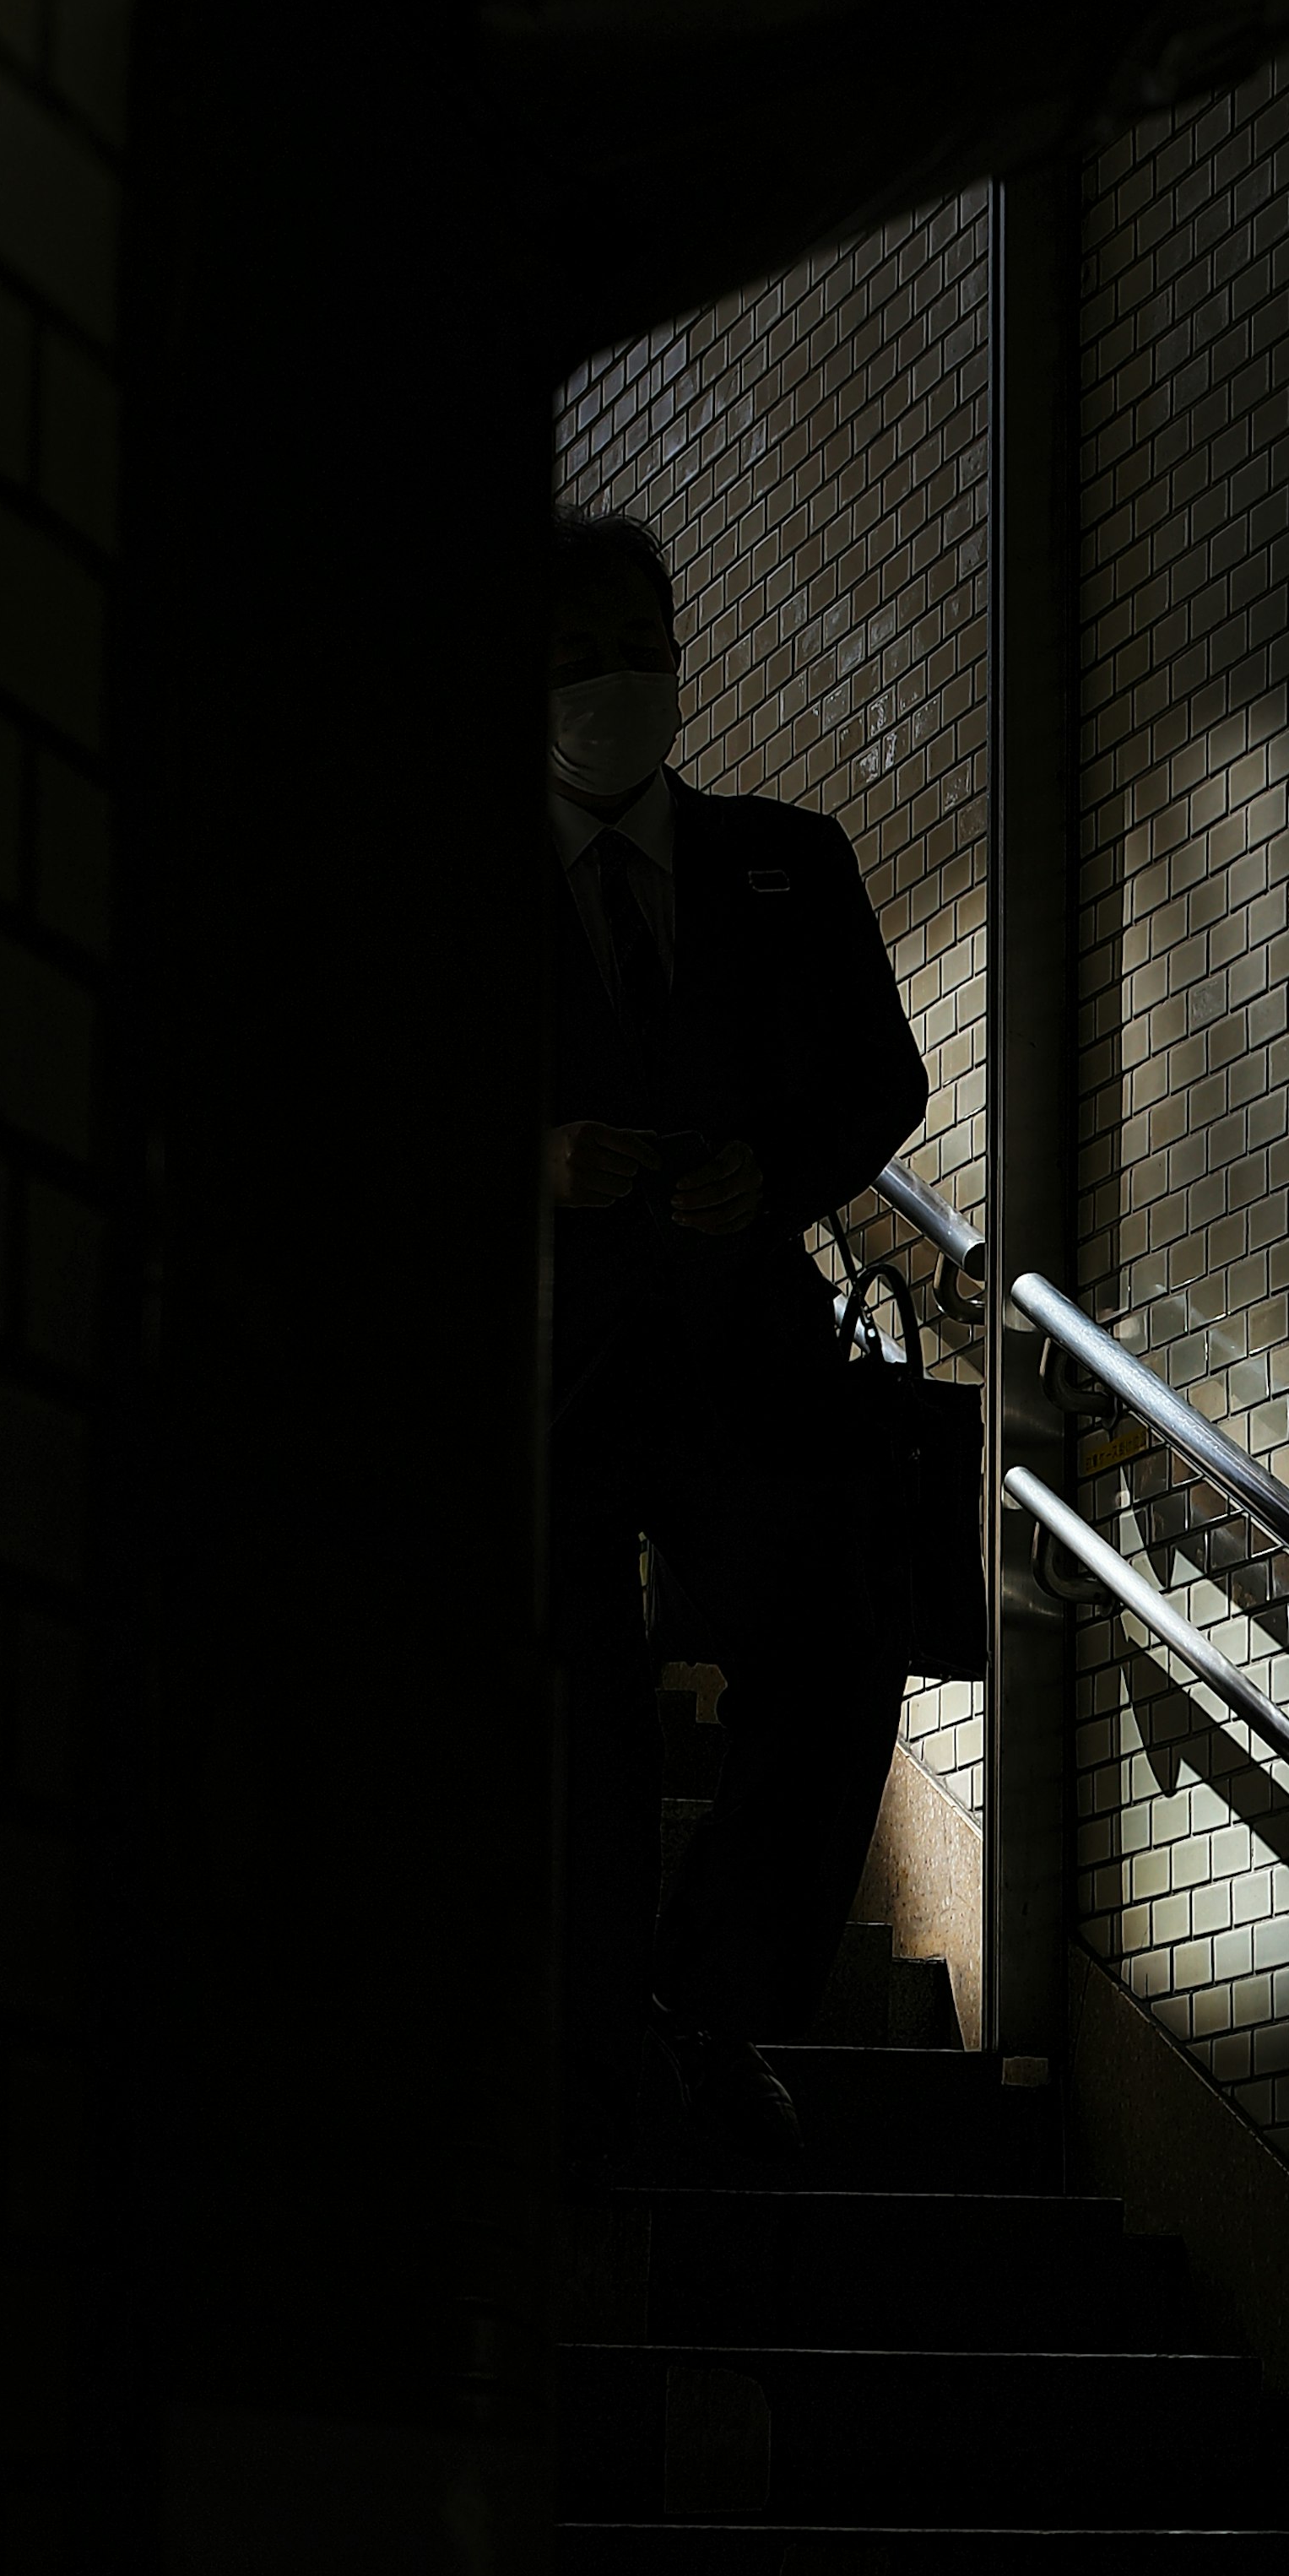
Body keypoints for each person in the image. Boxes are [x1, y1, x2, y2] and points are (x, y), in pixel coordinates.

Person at [543, 511, 928, 2185]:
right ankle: (598, 2027)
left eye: (638, 639)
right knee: (576, 1707)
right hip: (551, 1369)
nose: (613, 678)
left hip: (738, 1357)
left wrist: (770, 1174)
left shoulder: (785, 861)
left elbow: (883, 1082)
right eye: (573, 647)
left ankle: (705, 2009)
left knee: (837, 1645)